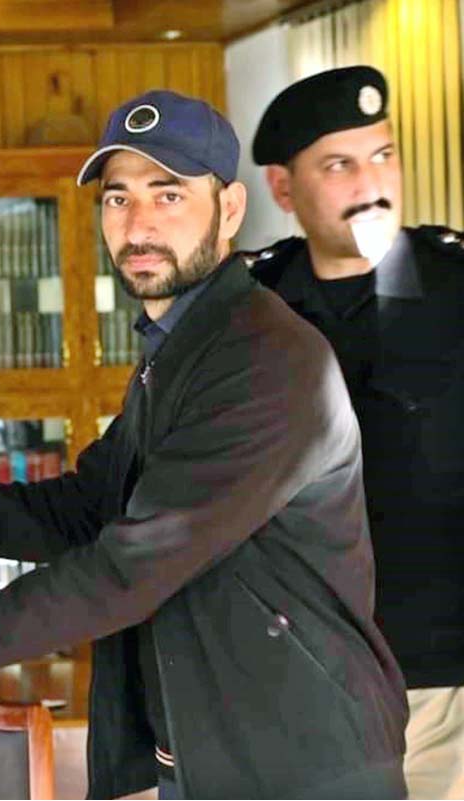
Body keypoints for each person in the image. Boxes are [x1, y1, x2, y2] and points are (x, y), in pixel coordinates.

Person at [0, 90, 408, 798]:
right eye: (117, 198)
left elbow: (127, 568)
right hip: (215, 759)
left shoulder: (266, 360)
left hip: (304, 765)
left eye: (168, 195)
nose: (138, 224)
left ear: (229, 209)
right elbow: (84, 510)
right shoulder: (181, 344)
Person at [250, 65, 464, 800]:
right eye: (338, 164)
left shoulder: (455, 285)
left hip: (443, 679)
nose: (370, 182)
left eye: (383, 155)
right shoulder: (253, 306)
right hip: (298, 676)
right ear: (284, 189)